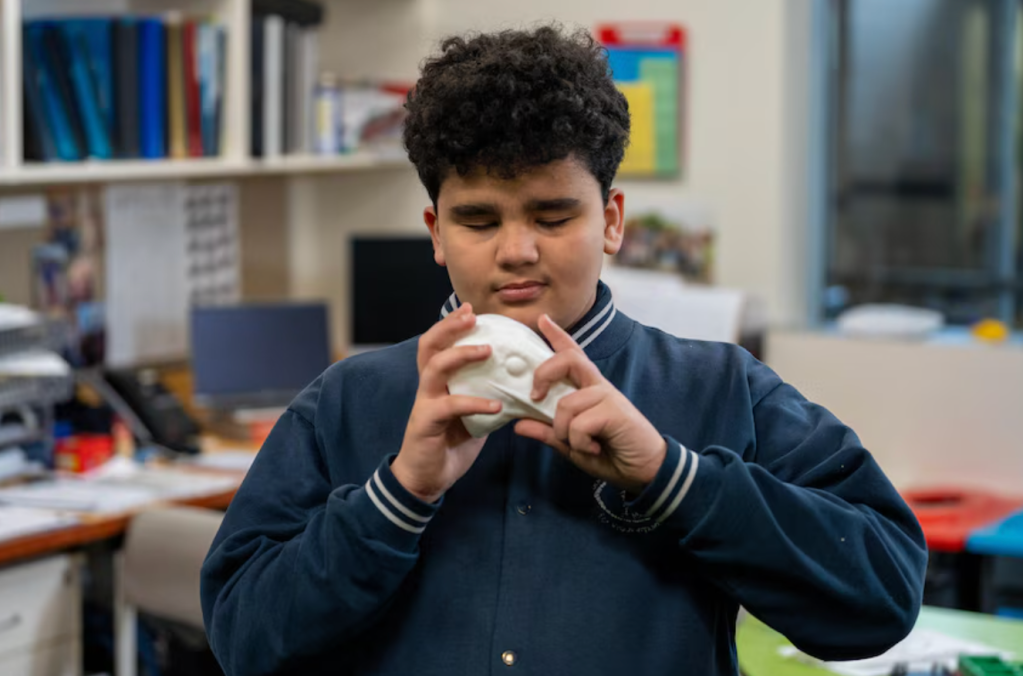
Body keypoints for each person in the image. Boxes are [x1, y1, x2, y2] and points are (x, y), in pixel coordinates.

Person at [201, 25, 927, 675]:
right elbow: (242, 641)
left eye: (552, 217)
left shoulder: (721, 388)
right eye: (478, 220)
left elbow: (883, 598)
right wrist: (397, 497)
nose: (517, 251)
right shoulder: (343, 402)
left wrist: (671, 477)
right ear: (435, 232)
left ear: (611, 221)